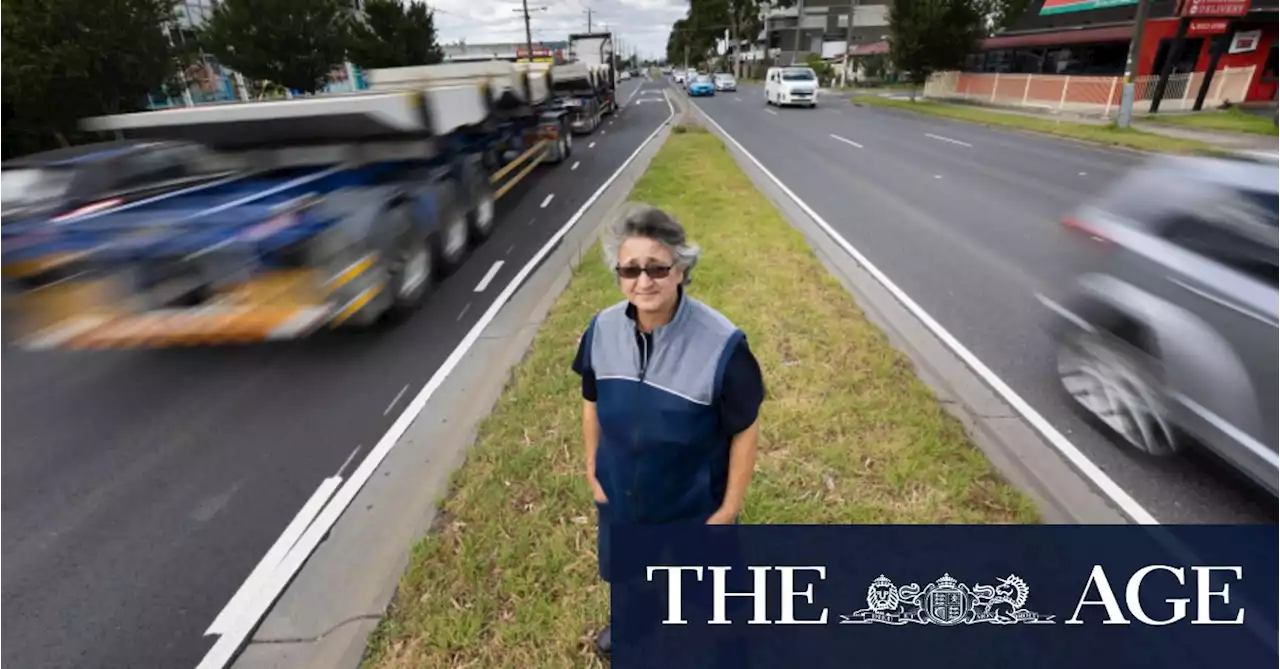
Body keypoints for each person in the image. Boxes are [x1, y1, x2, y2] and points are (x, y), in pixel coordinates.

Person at [571, 203, 765, 660]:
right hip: (620, 495)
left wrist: (730, 508)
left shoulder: (723, 344)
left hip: (692, 504)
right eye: (631, 269)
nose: (644, 281)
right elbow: (591, 398)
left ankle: (728, 648)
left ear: (681, 270)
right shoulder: (601, 329)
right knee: (629, 573)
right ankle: (630, 629)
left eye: (657, 267)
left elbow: (745, 429)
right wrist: (592, 465)